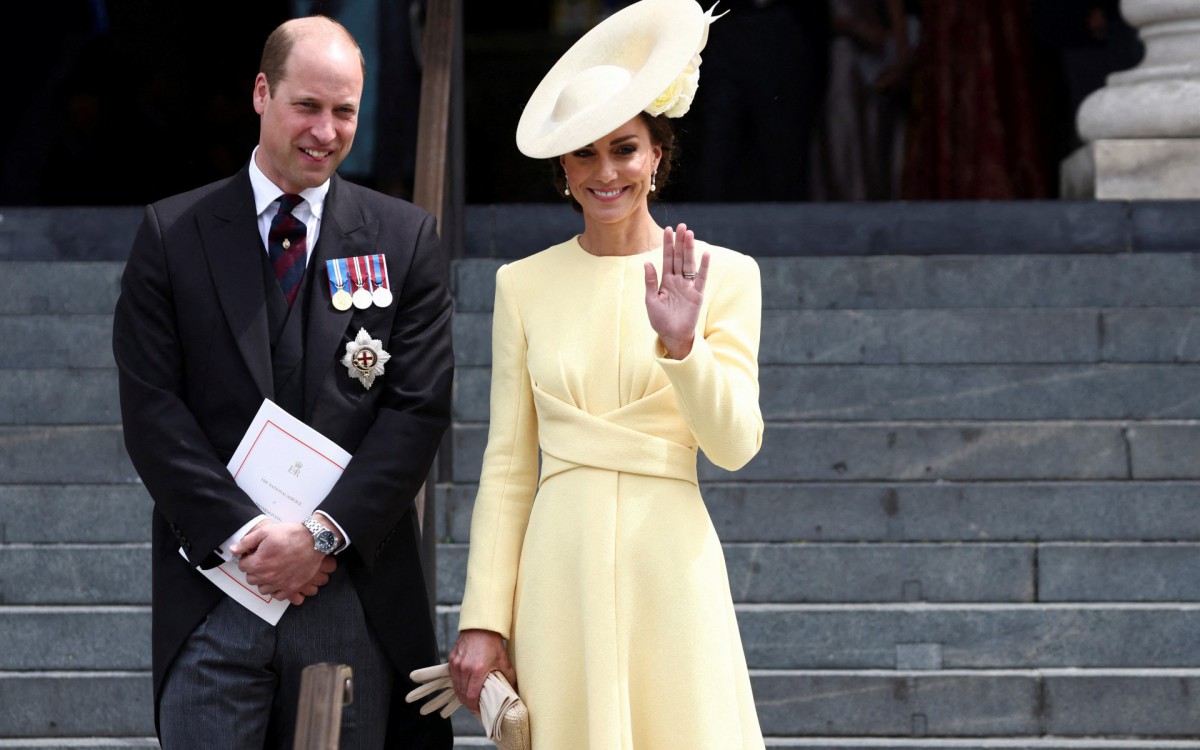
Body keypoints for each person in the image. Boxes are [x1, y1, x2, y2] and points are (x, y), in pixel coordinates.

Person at [112, 16, 454, 749]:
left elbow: (416, 411)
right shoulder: (174, 235)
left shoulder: (404, 239)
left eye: (345, 112)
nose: (326, 131)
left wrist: (322, 536)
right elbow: (152, 409)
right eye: (308, 105)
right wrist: (244, 536)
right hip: (214, 587)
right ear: (262, 93)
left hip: (349, 593)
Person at [447, 1, 766, 746]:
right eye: (584, 154)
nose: (606, 172)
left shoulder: (727, 276)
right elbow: (507, 465)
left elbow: (736, 443)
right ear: (562, 168)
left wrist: (685, 349)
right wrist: (484, 619)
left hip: (671, 561)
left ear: (658, 154)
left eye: (624, 149)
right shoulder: (520, 285)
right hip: (560, 572)